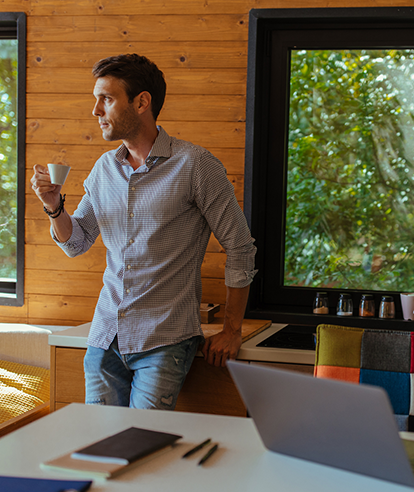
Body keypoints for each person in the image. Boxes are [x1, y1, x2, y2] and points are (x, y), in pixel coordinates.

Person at [30, 54, 257, 410]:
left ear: (141, 102)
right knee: (100, 449)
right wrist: (54, 206)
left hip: (165, 341)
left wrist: (232, 330)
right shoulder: (104, 169)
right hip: (105, 339)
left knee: (144, 446)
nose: (95, 110)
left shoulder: (196, 165)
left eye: (106, 98)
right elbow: (76, 242)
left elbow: (241, 248)